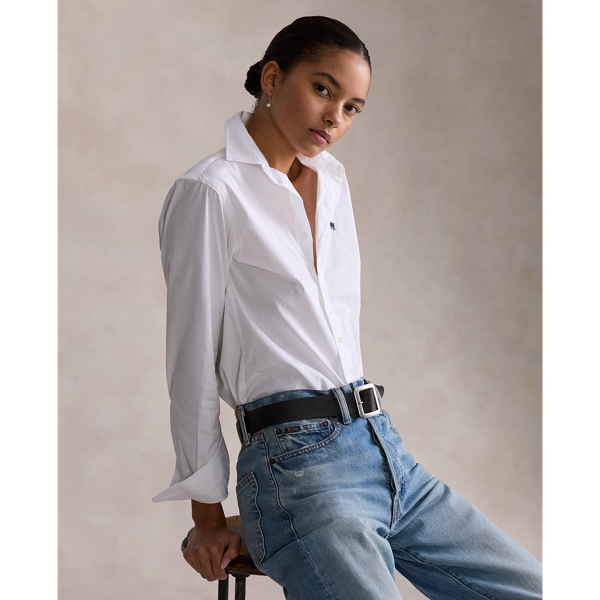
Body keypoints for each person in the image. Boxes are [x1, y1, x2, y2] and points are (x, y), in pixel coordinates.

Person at [153, 15, 542, 600]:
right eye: (323, 89)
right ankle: (279, 521)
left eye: (353, 107)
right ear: (272, 78)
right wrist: (206, 516)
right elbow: (190, 364)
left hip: (382, 449)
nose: (336, 117)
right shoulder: (211, 192)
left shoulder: (332, 183)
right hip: (297, 467)